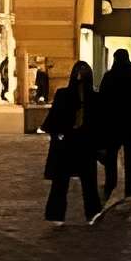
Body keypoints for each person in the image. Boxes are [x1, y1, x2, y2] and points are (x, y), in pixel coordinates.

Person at [42, 60, 104, 224]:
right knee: (68, 181)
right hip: (75, 143)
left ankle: (88, 212)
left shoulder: (88, 97)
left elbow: (98, 123)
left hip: (79, 143)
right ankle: (61, 213)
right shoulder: (68, 95)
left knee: (81, 181)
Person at [97, 48, 131, 199]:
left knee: (112, 154)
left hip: (113, 122)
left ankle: (110, 182)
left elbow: (103, 100)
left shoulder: (109, 76)